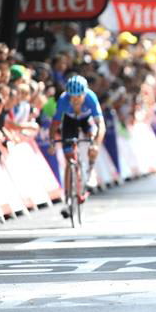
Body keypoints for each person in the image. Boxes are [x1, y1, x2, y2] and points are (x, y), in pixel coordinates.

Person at [48, 75, 105, 218]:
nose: (75, 100)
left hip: (86, 120)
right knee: (69, 159)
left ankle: (91, 171)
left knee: (93, 136)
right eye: (72, 97)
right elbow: (55, 123)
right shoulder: (63, 100)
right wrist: (51, 142)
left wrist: (96, 144)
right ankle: (68, 201)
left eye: (78, 97)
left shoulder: (91, 97)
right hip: (70, 122)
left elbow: (101, 125)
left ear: (84, 93)